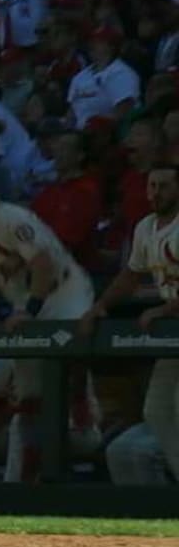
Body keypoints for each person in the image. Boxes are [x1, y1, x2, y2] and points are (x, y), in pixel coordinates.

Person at [0, 177, 94, 482]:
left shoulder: (10, 218)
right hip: (27, 304)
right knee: (29, 397)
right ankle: (28, 479)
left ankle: (84, 427)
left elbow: (43, 263)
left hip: (65, 294)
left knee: (68, 367)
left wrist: (30, 310)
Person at [80, 164, 179, 482]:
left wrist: (165, 309)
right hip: (172, 335)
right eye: (151, 186)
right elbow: (130, 276)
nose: (155, 193)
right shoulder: (146, 227)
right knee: (158, 411)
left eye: (164, 186)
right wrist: (101, 305)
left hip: (171, 322)